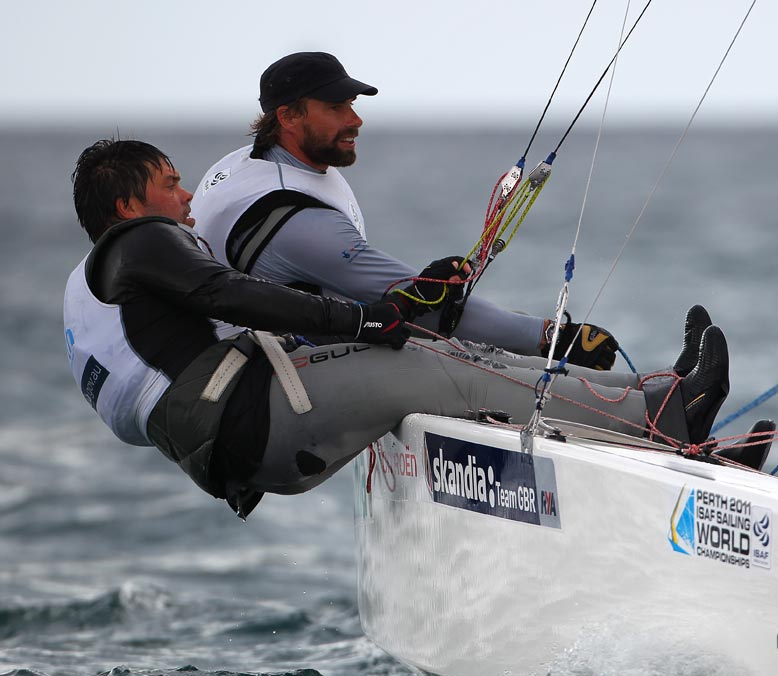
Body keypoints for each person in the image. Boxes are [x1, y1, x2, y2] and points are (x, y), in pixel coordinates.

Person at [64, 139, 731, 518]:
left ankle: (654, 407)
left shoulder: (92, 287)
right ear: (128, 204)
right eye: (171, 183)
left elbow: (140, 407)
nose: (185, 198)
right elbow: (232, 296)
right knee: (442, 371)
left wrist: (391, 311)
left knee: (442, 351)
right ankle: (669, 413)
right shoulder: (140, 243)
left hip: (238, 440)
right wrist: (355, 317)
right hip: (252, 423)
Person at [189, 51, 622, 372]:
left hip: (254, 354)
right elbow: (427, 309)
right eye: (336, 108)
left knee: (483, 342)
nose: (355, 120)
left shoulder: (250, 163)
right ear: (287, 116)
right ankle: (656, 406)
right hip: (255, 383)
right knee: (476, 359)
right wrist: (554, 338)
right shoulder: (296, 221)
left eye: (353, 105)